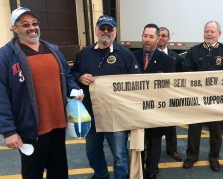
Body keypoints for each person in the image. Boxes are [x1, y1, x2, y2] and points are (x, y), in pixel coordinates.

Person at [0, 7, 83, 179]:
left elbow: (67, 75)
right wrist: (8, 131)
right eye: (25, 24)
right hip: (30, 132)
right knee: (32, 174)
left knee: (59, 173)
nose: (32, 28)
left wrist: (74, 89)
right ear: (14, 28)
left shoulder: (53, 50)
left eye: (34, 23)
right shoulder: (5, 56)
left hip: (57, 126)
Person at [70, 15, 140, 179]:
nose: (106, 32)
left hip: (116, 114)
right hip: (91, 112)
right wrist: (80, 78)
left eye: (110, 29)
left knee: (119, 154)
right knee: (92, 150)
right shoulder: (83, 53)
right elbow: (71, 74)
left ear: (115, 31)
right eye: (102, 28)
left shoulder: (125, 54)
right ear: (96, 30)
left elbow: (136, 81)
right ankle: (101, 174)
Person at [182, 21, 223, 172]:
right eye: (206, 31)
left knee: (216, 131)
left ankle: (214, 158)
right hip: (197, 97)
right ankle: (192, 156)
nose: (208, 34)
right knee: (194, 129)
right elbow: (186, 69)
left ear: (219, 34)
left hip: (216, 99)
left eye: (212, 31)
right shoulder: (194, 51)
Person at [133, 23, 176, 179]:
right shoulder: (132, 56)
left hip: (156, 109)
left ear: (158, 39)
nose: (147, 40)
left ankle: (152, 170)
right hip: (136, 108)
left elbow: (171, 88)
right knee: (139, 139)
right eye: (145, 36)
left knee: (155, 141)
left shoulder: (167, 61)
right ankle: (140, 170)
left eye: (151, 37)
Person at [157, 26, 183, 161]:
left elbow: (180, 77)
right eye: (159, 35)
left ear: (169, 39)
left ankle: (172, 149)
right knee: (152, 126)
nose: (161, 38)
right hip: (153, 98)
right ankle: (149, 150)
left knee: (170, 126)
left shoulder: (176, 57)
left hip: (170, 97)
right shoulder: (149, 55)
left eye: (164, 35)